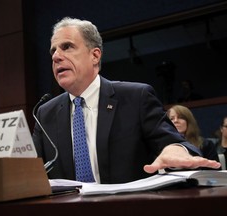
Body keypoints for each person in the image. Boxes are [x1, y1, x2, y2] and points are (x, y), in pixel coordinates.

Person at [32, 17, 220, 184]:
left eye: (67, 47)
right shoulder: (44, 113)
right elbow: (31, 174)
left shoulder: (136, 97)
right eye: (53, 51)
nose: (56, 56)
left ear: (95, 55)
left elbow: (177, 144)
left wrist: (175, 149)